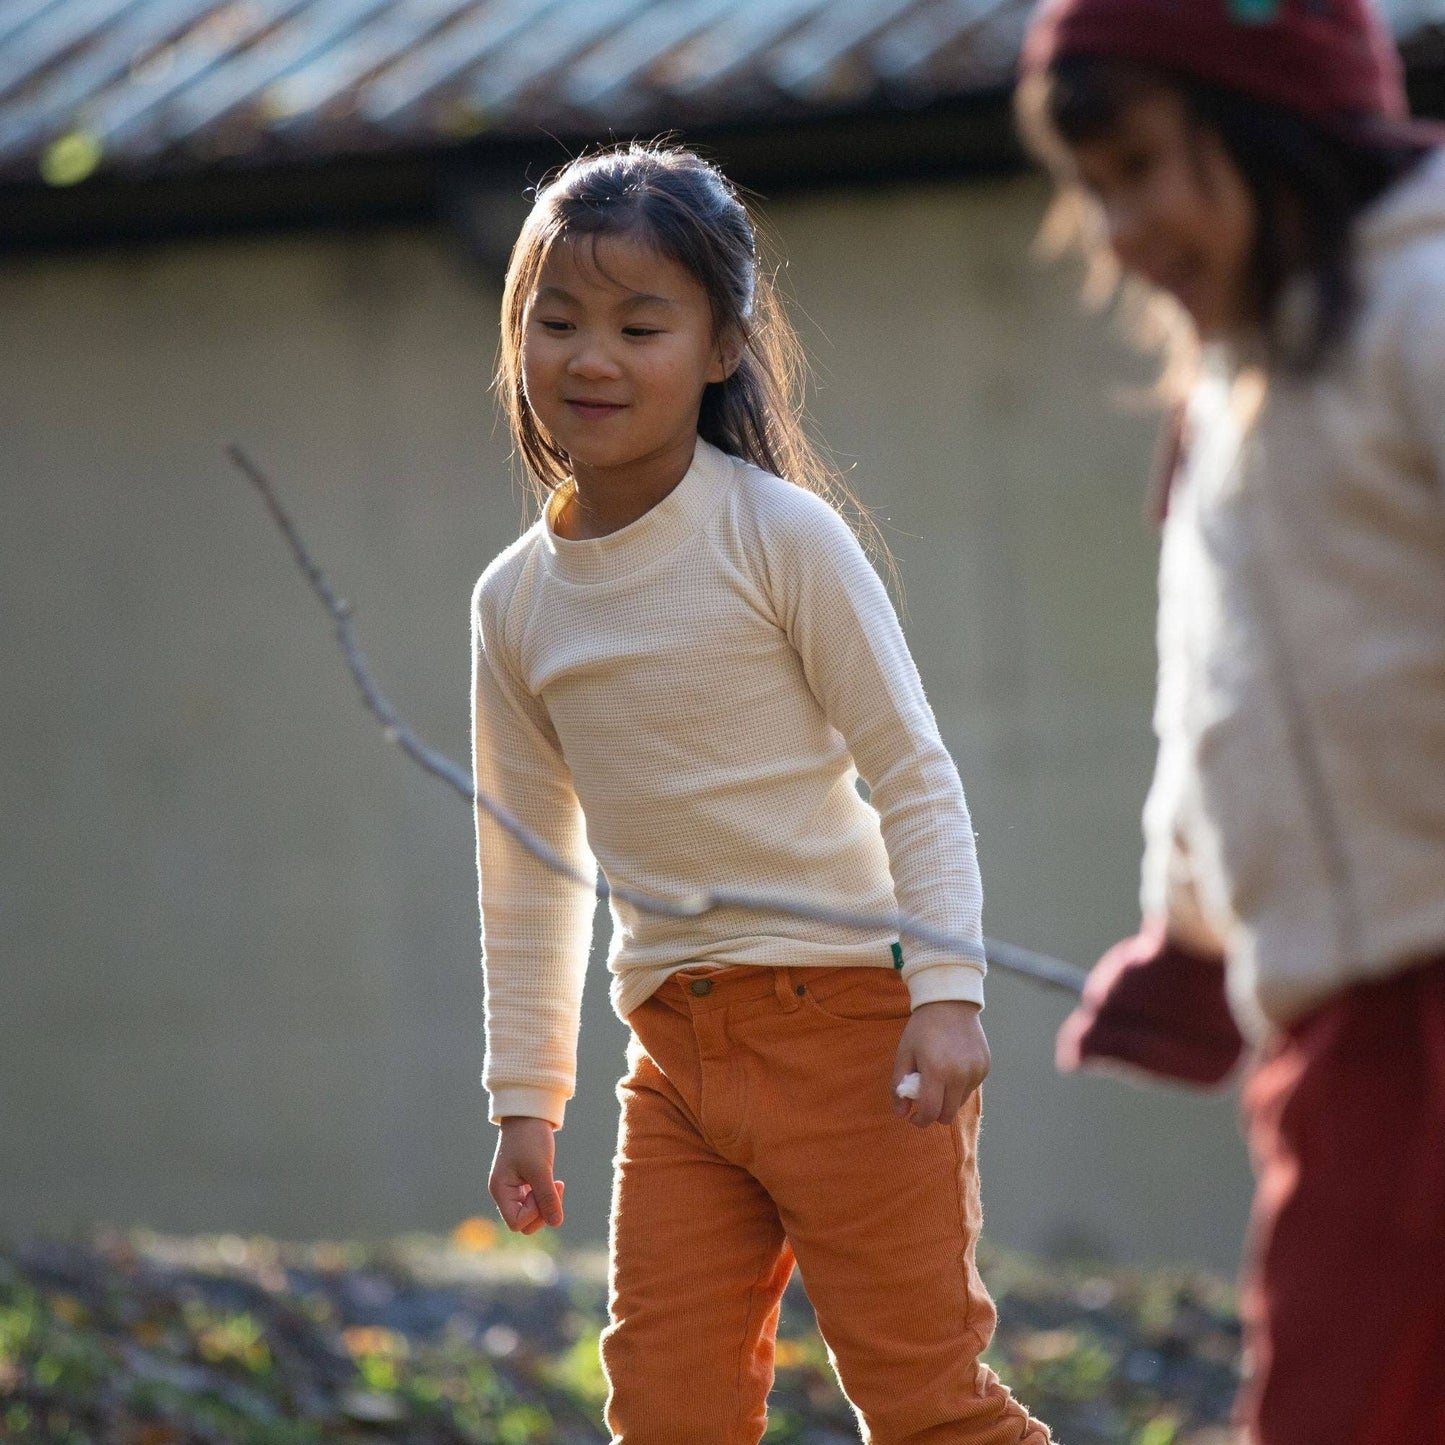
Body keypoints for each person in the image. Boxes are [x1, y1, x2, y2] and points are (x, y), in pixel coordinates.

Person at [470, 142, 1050, 1445]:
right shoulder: (513, 600)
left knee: (926, 1406)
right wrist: (526, 1099)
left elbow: (912, 771)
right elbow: (523, 860)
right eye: (553, 321)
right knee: (665, 1414)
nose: (590, 357)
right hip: (672, 1056)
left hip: (852, 1027)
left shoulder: (777, 535)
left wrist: (947, 997)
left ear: (722, 345)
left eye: (638, 322)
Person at [1015, 2, 1445, 1441]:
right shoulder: (1228, 409)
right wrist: (1188, 936)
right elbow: (1218, 717)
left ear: (1278, 123)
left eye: (1139, 164)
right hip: (1345, 1041)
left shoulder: (1419, 314)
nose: (1117, 227)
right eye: (1090, 189)